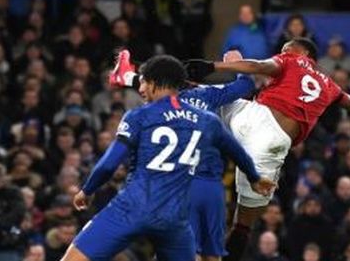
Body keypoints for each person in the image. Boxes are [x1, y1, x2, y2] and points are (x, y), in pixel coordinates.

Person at [60, 55, 276, 261]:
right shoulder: (206, 119)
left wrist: (87, 190)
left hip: (133, 206)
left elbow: (109, 165)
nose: (141, 89)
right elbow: (237, 152)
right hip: (174, 219)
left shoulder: (139, 115)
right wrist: (255, 178)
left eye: (143, 83)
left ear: (154, 82)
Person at [184, 37, 350, 261]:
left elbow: (258, 66)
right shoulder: (330, 86)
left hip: (255, 118)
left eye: (285, 48)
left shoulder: (293, 60)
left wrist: (213, 66)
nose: (282, 51)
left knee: (205, 95)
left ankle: (140, 79)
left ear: (302, 53)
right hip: (273, 145)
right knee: (243, 225)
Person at [109, 49, 257, 261]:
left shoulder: (154, 105)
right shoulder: (206, 95)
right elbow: (246, 85)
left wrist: (127, 77)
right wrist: (237, 64)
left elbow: (150, 88)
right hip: (207, 185)